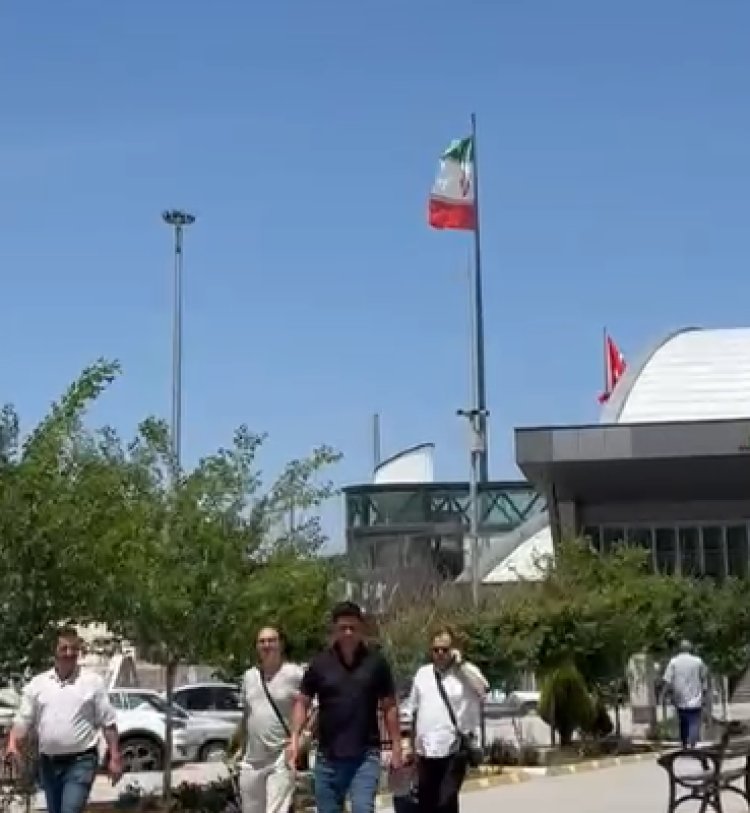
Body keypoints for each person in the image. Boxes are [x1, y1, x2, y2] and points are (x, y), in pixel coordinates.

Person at [290, 601, 402, 813]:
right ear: (335, 629)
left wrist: (397, 746)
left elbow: (389, 706)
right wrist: (295, 738)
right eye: (343, 628)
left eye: (353, 627)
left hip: (365, 756)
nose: (348, 633)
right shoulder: (320, 663)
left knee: (362, 808)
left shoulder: (376, 663)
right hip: (327, 758)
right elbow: (302, 701)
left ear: (361, 629)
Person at [7, 627, 123, 813]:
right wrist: (12, 744)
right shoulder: (38, 684)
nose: (69, 653)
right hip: (48, 764)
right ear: (54, 651)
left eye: (74, 649)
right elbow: (23, 719)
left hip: (81, 761)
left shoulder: (93, 682)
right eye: (64, 648)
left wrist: (115, 758)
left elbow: (108, 722)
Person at [408, 626, 488, 813]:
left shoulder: (465, 673)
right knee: (426, 804)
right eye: (436, 650)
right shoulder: (422, 674)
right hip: (426, 751)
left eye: (445, 649)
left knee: (446, 802)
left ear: (453, 649)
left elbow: (483, 689)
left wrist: (461, 665)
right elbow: (412, 709)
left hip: (453, 749)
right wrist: (409, 745)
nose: (440, 654)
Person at [236, 626, 305, 813]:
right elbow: (247, 715)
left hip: (281, 756)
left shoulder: (295, 674)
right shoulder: (249, 676)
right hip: (252, 759)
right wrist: (238, 748)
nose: (267, 645)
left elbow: (312, 708)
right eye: (262, 641)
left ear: (281, 644)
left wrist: (300, 738)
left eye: (272, 640)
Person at [662, 639, 708, 749]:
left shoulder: (673, 662)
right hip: (696, 698)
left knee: (683, 722)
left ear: (680, 648)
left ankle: (684, 744)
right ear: (690, 648)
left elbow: (668, 680)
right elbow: (704, 678)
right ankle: (692, 743)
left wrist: (664, 694)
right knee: (694, 721)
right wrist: (705, 692)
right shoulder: (698, 661)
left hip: (680, 698)